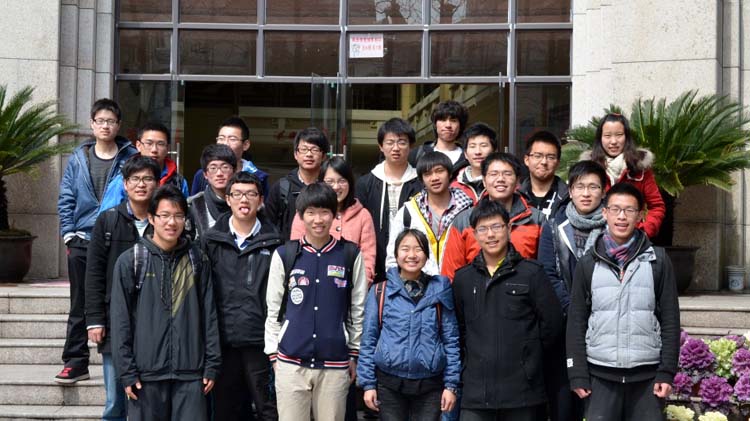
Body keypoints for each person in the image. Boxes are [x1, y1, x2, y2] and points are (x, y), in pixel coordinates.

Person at [566, 182, 680, 421]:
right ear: (604, 213)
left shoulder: (658, 261)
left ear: (640, 215)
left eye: (629, 210)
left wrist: (667, 372)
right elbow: (576, 321)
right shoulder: (588, 263)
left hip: (647, 377)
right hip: (600, 376)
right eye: (615, 209)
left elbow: (670, 320)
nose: (621, 216)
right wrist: (577, 373)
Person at [110, 185, 221, 421]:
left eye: (178, 216)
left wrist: (212, 364)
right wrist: (126, 371)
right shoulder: (131, 261)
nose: (172, 222)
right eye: (165, 215)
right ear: (151, 218)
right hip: (145, 376)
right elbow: (120, 322)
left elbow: (210, 315)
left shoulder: (197, 260)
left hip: (191, 374)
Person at [264, 183, 368, 421]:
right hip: (290, 363)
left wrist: (354, 353)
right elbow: (273, 310)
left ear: (334, 214)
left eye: (324, 212)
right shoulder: (285, 255)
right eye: (311, 212)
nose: (318, 219)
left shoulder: (350, 255)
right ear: (301, 215)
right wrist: (274, 355)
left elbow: (358, 309)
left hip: (335, 363)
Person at [452, 199, 563, 421]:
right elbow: (459, 330)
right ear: (474, 234)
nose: (490, 235)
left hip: (522, 392)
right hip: (476, 393)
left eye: (496, 227)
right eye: (483, 229)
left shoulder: (531, 273)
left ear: (509, 228)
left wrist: (528, 359)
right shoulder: (463, 279)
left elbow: (552, 326)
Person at [56, 98, 137, 383]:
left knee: (119, 299)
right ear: (92, 124)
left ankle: (125, 360)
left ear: (118, 125)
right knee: (79, 302)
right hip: (82, 239)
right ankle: (75, 361)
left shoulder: (129, 158)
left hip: (116, 238)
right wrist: (68, 233)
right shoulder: (79, 158)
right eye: (100, 121)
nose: (105, 126)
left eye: (110, 121)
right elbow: (66, 196)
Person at [85, 155, 160, 421]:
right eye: (135, 179)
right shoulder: (108, 221)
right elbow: (94, 274)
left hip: (154, 322)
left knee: (149, 400)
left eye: (148, 179)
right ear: (125, 184)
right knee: (115, 401)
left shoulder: (164, 222)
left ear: (157, 183)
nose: (141, 184)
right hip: (115, 321)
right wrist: (95, 320)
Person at [358, 229, 460, 421]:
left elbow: (451, 340)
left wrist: (451, 385)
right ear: (396, 254)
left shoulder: (440, 290)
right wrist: (368, 384)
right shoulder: (380, 291)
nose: (412, 255)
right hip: (389, 384)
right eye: (405, 249)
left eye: (418, 249)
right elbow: (369, 340)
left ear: (427, 255)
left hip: (431, 385)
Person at [202, 172, 280, 421]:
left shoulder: (275, 242)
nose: (243, 200)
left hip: (261, 342)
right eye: (237, 194)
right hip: (223, 342)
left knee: (269, 410)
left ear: (261, 200)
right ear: (228, 199)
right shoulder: (211, 240)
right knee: (226, 411)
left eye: (250, 194)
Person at [536, 160, 608, 421]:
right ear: (570, 190)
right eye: (580, 187)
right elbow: (548, 273)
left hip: (605, 323)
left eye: (593, 187)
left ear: (603, 191)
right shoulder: (554, 226)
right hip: (565, 324)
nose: (586, 193)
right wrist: (574, 310)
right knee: (564, 402)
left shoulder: (614, 228)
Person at [440, 152, 545, 281]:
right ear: (484, 181)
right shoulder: (464, 220)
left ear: (517, 181)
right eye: (493, 174)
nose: (500, 179)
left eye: (507, 174)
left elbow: (545, 270)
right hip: (475, 291)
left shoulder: (537, 219)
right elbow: (450, 274)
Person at [356, 118, 423, 283]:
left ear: (411, 146)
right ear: (381, 146)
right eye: (390, 142)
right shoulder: (366, 183)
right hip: (375, 262)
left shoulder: (421, 183)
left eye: (402, 142)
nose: (396, 148)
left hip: (413, 261)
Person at [386, 152, 473, 276]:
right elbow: (392, 257)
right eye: (427, 174)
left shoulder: (468, 211)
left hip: (459, 282)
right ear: (421, 179)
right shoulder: (408, 212)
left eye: (439, 171)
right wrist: (398, 285)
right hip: (419, 285)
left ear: (450, 174)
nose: (434, 178)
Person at [291, 157, 377, 284]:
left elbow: (368, 260)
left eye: (342, 181)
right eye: (329, 182)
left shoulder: (363, 215)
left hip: (350, 287)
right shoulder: (305, 213)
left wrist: (357, 287)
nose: (336, 187)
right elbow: (295, 252)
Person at [581, 113, 665, 238]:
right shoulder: (589, 167)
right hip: (595, 238)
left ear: (627, 137)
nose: (613, 141)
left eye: (619, 135)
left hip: (633, 239)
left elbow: (657, 206)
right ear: (600, 138)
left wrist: (645, 231)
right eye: (607, 136)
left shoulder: (640, 167)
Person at [100, 121, 189, 211]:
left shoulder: (178, 182)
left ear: (167, 148)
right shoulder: (124, 179)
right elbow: (107, 215)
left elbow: (185, 214)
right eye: (149, 143)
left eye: (160, 144)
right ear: (138, 145)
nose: (154, 149)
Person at [265, 127, 330, 240]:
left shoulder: (330, 187)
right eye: (304, 149)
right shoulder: (282, 187)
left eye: (314, 149)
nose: (309, 154)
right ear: (296, 154)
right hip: (288, 248)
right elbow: (268, 225)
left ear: (323, 155)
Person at [191, 116, 270, 196]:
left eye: (232, 139)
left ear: (245, 145)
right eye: (221, 138)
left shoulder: (259, 177)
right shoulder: (203, 174)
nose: (225, 144)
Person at [187, 144, 237, 239]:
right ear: (205, 174)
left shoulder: (245, 202)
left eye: (225, 167)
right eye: (213, 168)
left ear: (234, 171)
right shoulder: (193, 205)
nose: (219, 173)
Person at [409, 100, 469, 177]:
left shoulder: (469, 156)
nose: (448, 125)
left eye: (453, 121)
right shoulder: (417, 154)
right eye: (443, 120)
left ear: (460, 126)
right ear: (435, 124)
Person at [518, 130, 569, 220]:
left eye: (550, 157)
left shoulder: (568, 196)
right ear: (526, 160)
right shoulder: (516, 195)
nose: (544, 162)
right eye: (538, 156)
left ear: (558, 163)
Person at [450, 122, 497, 205]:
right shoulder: (454, 187)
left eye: (483, 145)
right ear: (465, 153)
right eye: (472, 146)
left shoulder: (504, 183)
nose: (478, 152)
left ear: (494, 151)